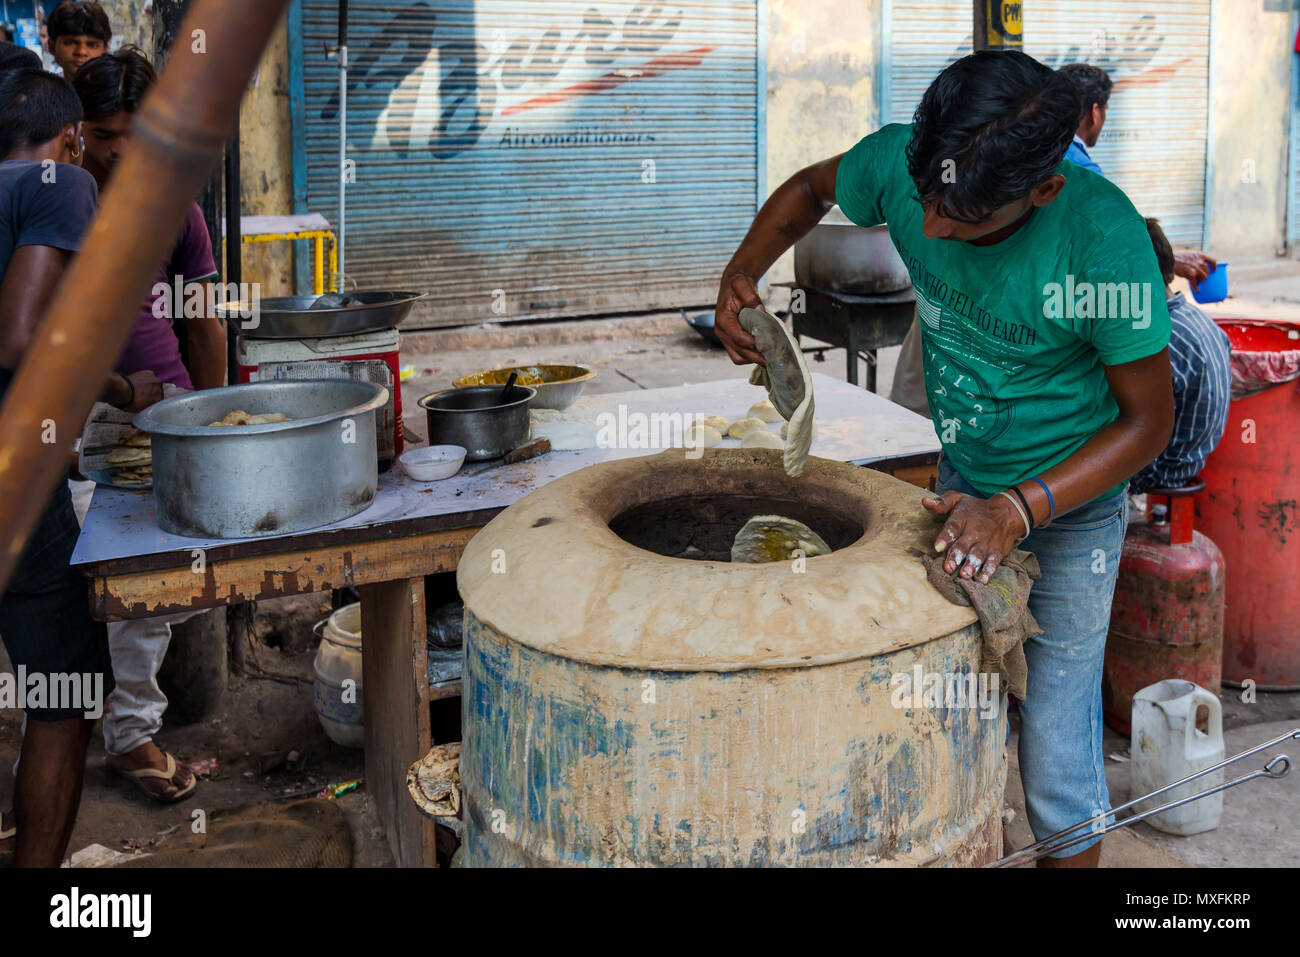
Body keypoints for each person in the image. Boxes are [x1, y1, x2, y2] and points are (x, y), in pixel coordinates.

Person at [715, 50, 1174, 867]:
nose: (928, 231)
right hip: (963, 485)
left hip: (1069, 508)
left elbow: (1147, 425)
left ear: (1044, 189)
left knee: (1057, 760)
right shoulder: (909, 163)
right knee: (949, 707)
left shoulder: (1103, 242)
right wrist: (743, 269)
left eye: (961, 218)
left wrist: (1019, 509)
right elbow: (810, 190)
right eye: (926, 202)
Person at [0, 67, 160, 867]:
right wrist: (121, 385)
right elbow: (22, 341)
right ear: (69, 138)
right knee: (61, 703)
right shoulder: (58, 183)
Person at [73, 47, 225, 803]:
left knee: (173, 578)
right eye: (106, 136)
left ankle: (126, 724)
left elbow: (203, 320)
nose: (124, 151)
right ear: (76, 130)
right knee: (124, 576)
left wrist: (216, 418)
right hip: (84, 419)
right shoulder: (55, 203)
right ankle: (129, 736)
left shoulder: (176, 203)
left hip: (166, 409)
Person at [1059, 62, 1218, 288]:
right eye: (1106, 109)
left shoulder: (1036, 153)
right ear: (1095, 113)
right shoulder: (1084, 173)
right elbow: (1114, 241)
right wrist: (1168, 261)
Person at [1130, 218, 1231, 494]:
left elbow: (1132, 424)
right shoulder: (1198, 319)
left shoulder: (1158, 342)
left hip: (1161, 470)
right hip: (1188, 459)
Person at [45, 0, 111, 79]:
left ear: (105, 49)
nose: (81, 52)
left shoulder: (119, 89)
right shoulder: (43, 89)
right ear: (51, 46)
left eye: (92, 45)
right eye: (70, 43)